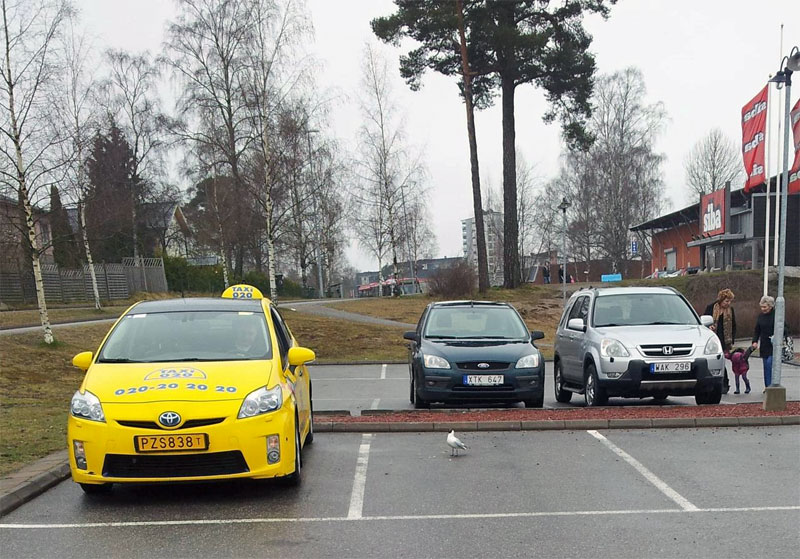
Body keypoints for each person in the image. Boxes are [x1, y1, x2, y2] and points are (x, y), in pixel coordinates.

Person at [704, 288, 736, 394]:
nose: (728, 303)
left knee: (723, 361)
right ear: (721, 300)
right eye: (727, 301)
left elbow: (734, 325)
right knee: (719, 361)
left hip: (724, 339)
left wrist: (731, 340)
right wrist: (710, 327)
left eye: (730, 301)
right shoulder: (711, 308)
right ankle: (724, 383)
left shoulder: (730, 310)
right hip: (713, 338)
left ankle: (724, 384)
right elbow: (704, 322)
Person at [751, 295, 776, 391]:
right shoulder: (760, 316)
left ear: (770, 306)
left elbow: (785, 328)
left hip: (774, 345)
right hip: (765, 344)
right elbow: (757, 330)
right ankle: (767, 386)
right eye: (761, 307)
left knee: (770, 363)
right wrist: (755, 341)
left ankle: (772, 385)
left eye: (765, 307)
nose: (763, 309)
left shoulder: (776, 315)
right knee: (766, 366)